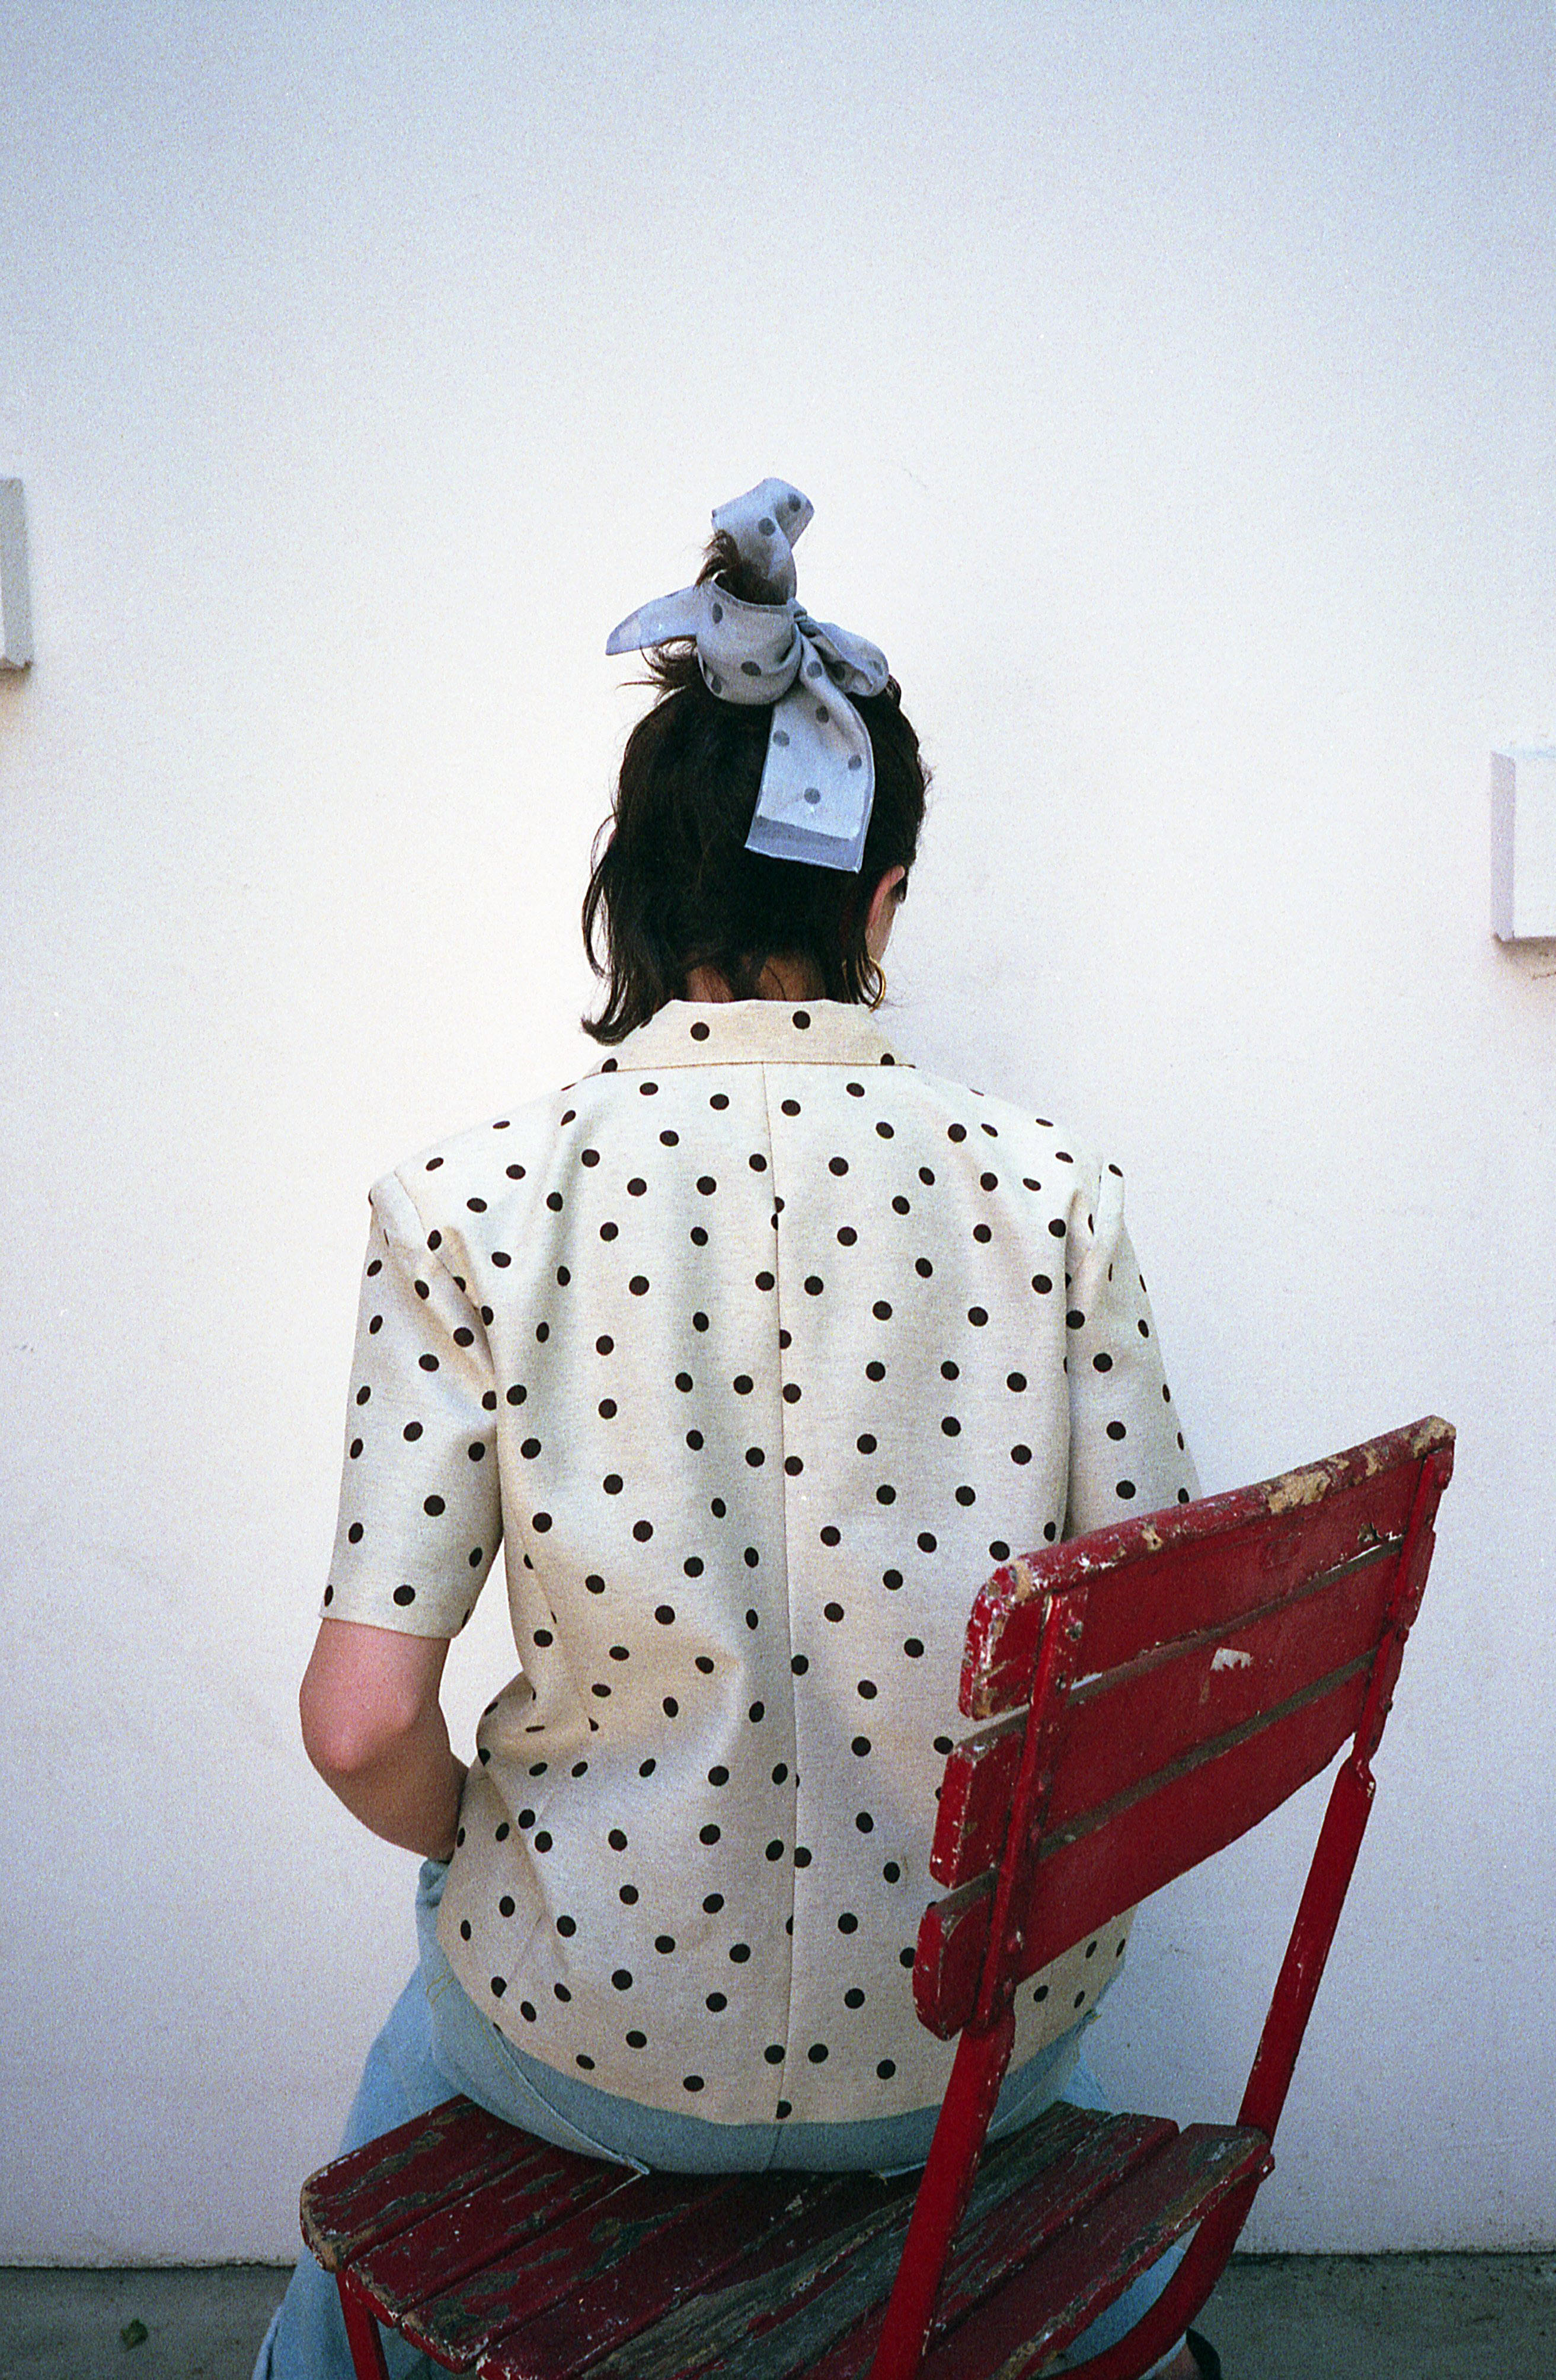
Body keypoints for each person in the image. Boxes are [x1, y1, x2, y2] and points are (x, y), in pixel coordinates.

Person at [256, 483, 1215, 2380]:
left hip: (583, 2048)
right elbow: (1161, 1684)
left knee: (452, 1961)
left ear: (633, 893)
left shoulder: (466, 1202)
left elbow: (361, 1727)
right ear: (881, 902)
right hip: (962, 2056)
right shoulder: (1052, 1196)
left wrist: (478, 1855)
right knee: (997, 2030)